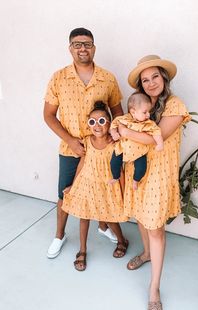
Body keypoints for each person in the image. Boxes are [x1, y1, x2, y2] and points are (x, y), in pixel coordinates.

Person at [118, 55, 191, 310]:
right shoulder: (140, 106)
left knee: (156, 229)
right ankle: (147, 254)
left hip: (160, 177)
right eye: (145, 80)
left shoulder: (175, 105)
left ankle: (154, 287)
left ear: (164, 77)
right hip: (139, 173)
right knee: (141, 217)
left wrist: (126, 133)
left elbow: (156, 138)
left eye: (155, 77)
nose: (151, 83)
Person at [43, 27, 123, 258]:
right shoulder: (58, 78)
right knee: (65, 193)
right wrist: (71, 140)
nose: (83, 48)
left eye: (87, 44)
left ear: (94, 47)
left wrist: (112, 139)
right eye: (77, 44)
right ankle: (59, 235)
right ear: (70, 48)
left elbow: (117, 113)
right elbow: (48, 115)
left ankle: (103, 226)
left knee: (103, 191)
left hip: (102, 150)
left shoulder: (107, 78)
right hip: (71, 149)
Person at [62, 101, 129, 271]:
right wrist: (73, 185)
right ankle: (82, 250)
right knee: (83, 217)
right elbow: (81, 164)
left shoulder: (115, 144)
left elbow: (120, 171)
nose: (97, 126)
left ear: (109, 122)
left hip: (107, 186)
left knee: (109, 218)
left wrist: (123, 193)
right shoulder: (86, 141)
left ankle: (122, 241)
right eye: (92, 122)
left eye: (101, 121)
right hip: (87, 184)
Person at [109, 92, 163, 190]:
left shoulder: (148, 124)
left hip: (139, 151)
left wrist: (159, 143)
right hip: (122, 148)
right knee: (114, 163)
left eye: (149, 112)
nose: (148, 115)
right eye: (145, 112)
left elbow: (157, 132)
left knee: (141, 168)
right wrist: (114, 134)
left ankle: (135, 180)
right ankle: (115, 177)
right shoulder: (123, 119)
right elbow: (113, 125)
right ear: (133, 112)